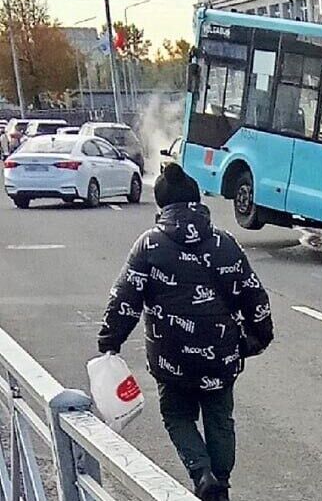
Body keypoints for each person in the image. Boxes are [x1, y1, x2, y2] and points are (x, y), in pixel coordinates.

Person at [97, 163, 274, 501]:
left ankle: (201, 473)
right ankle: (220, 483)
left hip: (170, 357)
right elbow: (254, 294)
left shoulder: (148, 245)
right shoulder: (225, 244)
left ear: (162, 206)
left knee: (177, 415)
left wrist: (110, 341)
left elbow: (125, 299)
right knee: (220, 418)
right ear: (197, 202)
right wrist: (258, 337)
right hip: (221, 355)